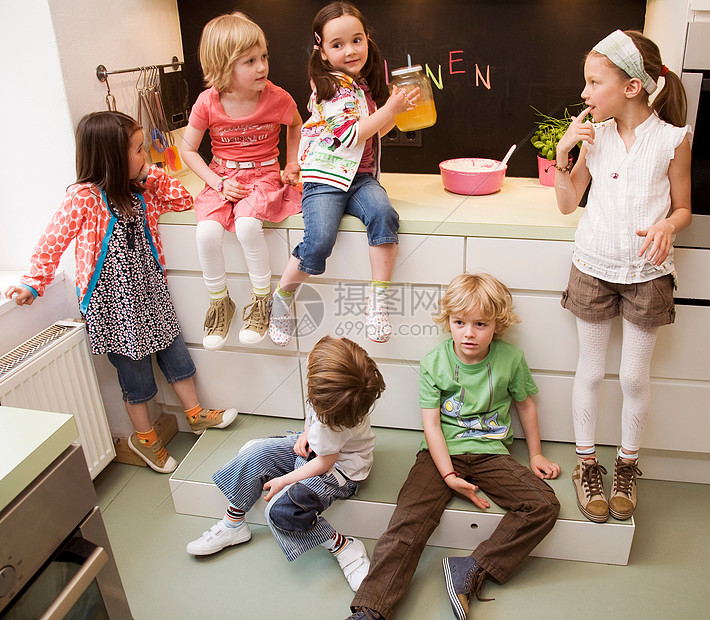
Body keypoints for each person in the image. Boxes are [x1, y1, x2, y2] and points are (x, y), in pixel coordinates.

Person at [4, 111, 237, 474]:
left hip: (149, 292)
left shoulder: (141, 190)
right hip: (111, 305)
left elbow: (182, 200)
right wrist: (33, 281)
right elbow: (53, 239)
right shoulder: (84, 197)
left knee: (174, 353)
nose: (145, 156)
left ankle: (195, 414)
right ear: (111, 156)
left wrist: (150, 174)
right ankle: (144, 439)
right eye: (138, 151)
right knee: (135, 374)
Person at [347, 273, 560, 620]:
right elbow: (431, 424)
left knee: (543, 505)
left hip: (490, 452)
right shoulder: (434, 362)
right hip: (438, 453)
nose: (469, 333)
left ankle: (471, 568)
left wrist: (535, 453)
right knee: (407, 520)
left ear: (498, 325)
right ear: (448, 321)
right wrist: (447, 474)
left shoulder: (512, 359)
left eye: (480, 324)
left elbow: (526, 405)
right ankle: (371, 610)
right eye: (460, 322)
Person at [553, 30, 692, 523]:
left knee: (634, 375)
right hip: (592, 265)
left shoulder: (673, 140)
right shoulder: (596, 137)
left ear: (632, 87)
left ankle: (628, 464)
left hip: (648, 272)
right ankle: (587, 464)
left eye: (594, 82)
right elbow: (569, 203)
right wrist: (564, 153)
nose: (585, 94)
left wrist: (667, 226)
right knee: (589, 370)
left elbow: (683, 208)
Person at [268, 1, 419, 347]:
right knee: (320, 240)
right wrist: (390, 110)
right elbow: (351, 135)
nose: (350, 51)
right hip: (325, 182)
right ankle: (282, 296)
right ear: (321, 50)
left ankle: (378, 300)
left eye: (356, 40)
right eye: (337, 45)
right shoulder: (333, 88)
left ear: (368, 39)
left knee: (383, 214)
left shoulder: (362, 83)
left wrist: (396, 112)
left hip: (360, 179)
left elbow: (371, 133)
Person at [186, 335, 385, 592]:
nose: (307, 362)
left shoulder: (335, 418)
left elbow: (325, 462)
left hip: (339, 470)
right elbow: (313, 415)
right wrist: (305, 433)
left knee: (280, 510)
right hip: (318, 446)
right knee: (253, 453)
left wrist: (285, 480)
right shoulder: (325, 391)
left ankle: (343, 546)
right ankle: (234, 523)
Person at [180, 11, 303, 349]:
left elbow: (296, 124)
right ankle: (221, 302)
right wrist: (217, 183)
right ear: (223, 66)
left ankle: (262, 300)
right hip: (222, 175)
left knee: (249, 226)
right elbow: (187, 149)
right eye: (249, 61)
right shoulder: (208, 102)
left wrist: (291, 162)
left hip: (263, 175)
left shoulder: (277, 97)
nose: (262, 67)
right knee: (206, 234)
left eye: (263, 57)